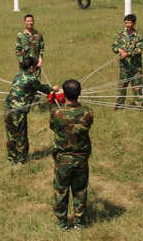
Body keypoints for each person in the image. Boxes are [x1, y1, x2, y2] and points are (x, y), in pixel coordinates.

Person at [50, 79, 93, 230]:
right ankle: (79, 223)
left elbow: (53, 125)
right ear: (79, 93)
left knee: (61, 190)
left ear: (64, 94)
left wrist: (55, 101)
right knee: (80, 190)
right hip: (81, 158)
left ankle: (62, 223)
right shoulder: (88, 112)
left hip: (63, 159)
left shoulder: (57, 113)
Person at [5, 56, 58, 164]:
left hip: (7, 108)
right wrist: (53, 89)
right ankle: (21, 160)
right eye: (35, 66)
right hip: (18, 111)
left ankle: (12, 157)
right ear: (31, 67)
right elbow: (44, 89)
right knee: (20, 135)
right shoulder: (32, 79)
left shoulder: (18, 75)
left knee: (10, 135)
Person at [111, 14, 143, 110]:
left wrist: (128, 54)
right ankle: (119, 106)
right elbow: (114, 46)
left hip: (135, 67)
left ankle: (139, 106)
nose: (127, 24)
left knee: (137, 87)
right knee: (122, 87)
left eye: (129, 22)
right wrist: (119, 50)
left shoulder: (138, 36)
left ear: (133, 23)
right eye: (126, 22)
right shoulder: (120, 34)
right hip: (124, 67)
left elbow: (139, 50)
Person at [15, 14, 45, 79]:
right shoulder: (20, 35)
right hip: (24, 64)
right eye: (28, 21)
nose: (30, 23)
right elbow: (18, 50)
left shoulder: (38, 35)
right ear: (24, 22)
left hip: (35, 64)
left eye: (31, 21)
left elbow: (41, 49)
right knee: (24, 82)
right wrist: (22, 62)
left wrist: (40, 59)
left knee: (36, 83)